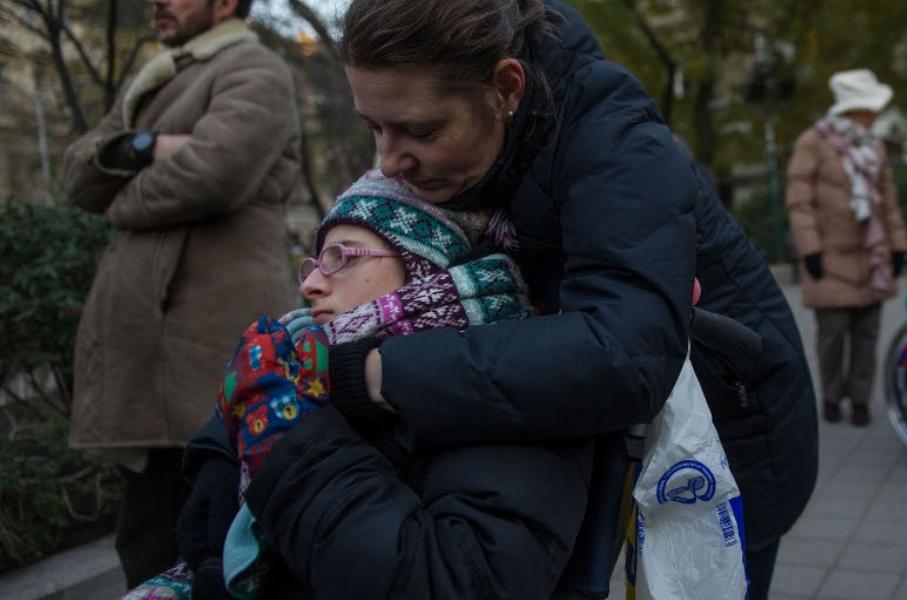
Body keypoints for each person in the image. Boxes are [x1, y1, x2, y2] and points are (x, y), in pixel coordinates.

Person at [178, 1, 818, 597]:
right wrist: (232, 436)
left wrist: (367, 373)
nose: (389, 159)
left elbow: (624, 355)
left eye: (418, 130)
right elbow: (358, 293)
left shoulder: (614, 139)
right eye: (374, 126)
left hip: (732, 431)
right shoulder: (435, 149)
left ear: (506, 88)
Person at [129, 171, 591, 599]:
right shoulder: (294, 365)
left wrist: (285, 439)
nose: (310, 282)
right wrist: (225, 447)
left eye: (341, 258)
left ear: (427, 267)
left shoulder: (508, 386)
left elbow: (451, 580)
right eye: (313, 261)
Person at [61, 0, 302, 585]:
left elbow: (213, 171)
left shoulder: (254, 69)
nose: (158, 2)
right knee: (148, 536)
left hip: (206, 357)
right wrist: (146, 147)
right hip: (151, 360)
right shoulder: (160, 76)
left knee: (216, 539)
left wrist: (119, 193)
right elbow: (77, 171)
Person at [785, 68, 907, 426]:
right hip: (829, 258)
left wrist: (899, 244)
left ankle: (859, 399)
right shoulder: (812, 142)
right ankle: (830, 395)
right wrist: (809, 249)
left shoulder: (875, 146)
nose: (874, 116)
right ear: (850, 110)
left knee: (867, 335)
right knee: (832, 336)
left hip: (872, 257)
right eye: (869, 109)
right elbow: (799, 200)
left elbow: (888, 200)